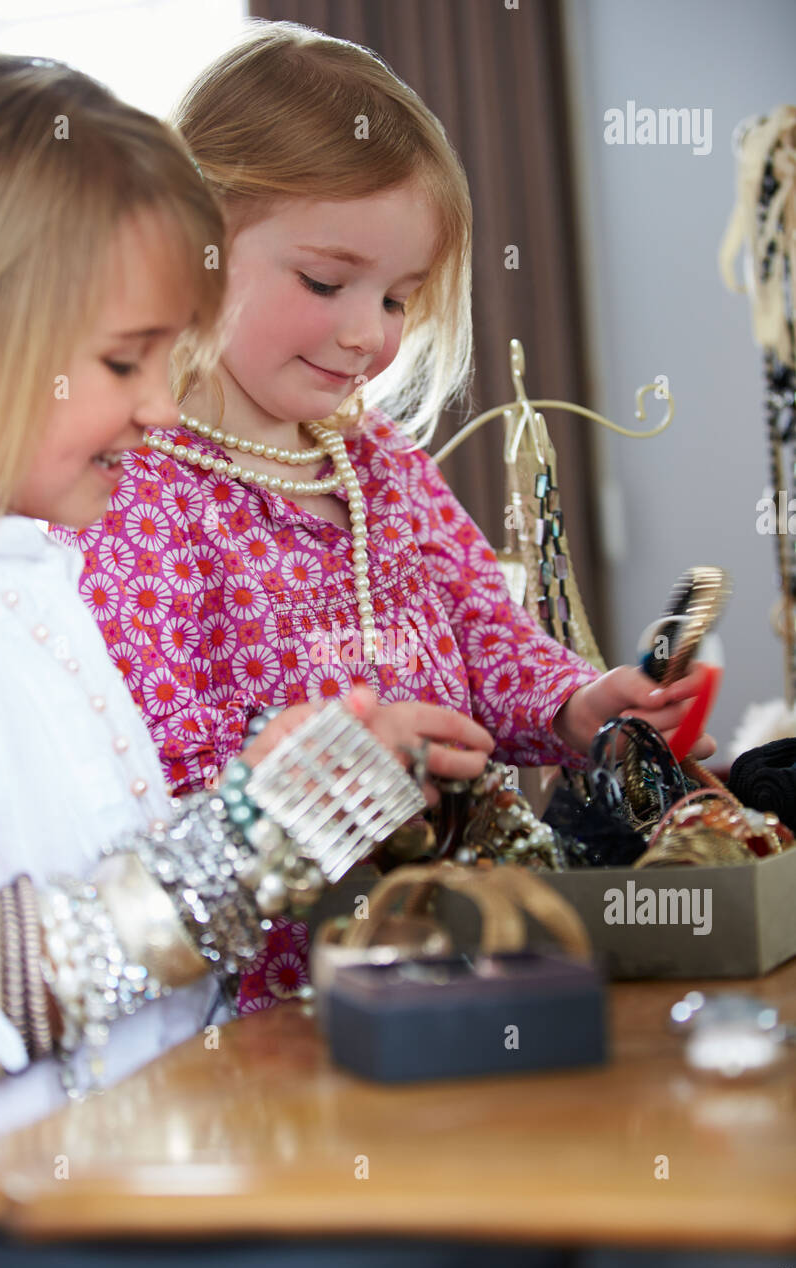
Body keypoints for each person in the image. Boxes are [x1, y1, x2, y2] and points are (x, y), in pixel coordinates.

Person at [0, 52, 492, 1268]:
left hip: (158, 1172)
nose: (157, 406)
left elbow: (132, 884)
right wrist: (266, 825)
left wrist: (301, 782)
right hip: (17, 1258)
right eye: (127, 362)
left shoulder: (33, 570)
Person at [52, 20, 714, 1013]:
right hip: (259, 1019)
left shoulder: (382, 467)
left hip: (450, 967)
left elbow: (491, 644)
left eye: (400, 298)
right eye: (325, 282)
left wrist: (578, 706)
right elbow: (156, 777)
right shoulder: (141, 498)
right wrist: (341, 773)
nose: (367, 334)